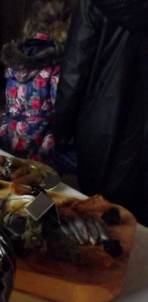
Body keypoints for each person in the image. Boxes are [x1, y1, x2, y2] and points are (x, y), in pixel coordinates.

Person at [52, 0, 148, 227]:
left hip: (102, 130)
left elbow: (75, 71)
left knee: (97, 220)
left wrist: (61, 131)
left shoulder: (93, 4)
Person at [0, 0, 76, 174]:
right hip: (39, 141)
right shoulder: (57, 59)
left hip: (9, 134)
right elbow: (61, 104)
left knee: (10, 177)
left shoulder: (18, 54)